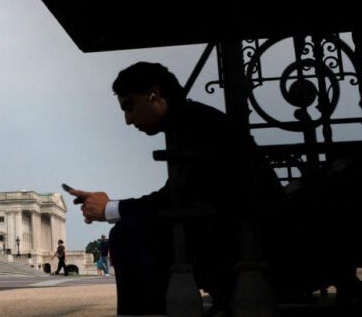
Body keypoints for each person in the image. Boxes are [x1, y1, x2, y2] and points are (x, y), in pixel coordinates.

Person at [66, 62, 286, 315]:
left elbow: (181, 198)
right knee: (132, 229)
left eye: (130, 106)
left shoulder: (194, 125)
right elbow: (181, 195)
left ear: (154, 95)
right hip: (237, 223)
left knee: (128, 234)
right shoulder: (190, 120)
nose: (128, 120)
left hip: (247, 233)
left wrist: (112, 209)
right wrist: (113, 207)